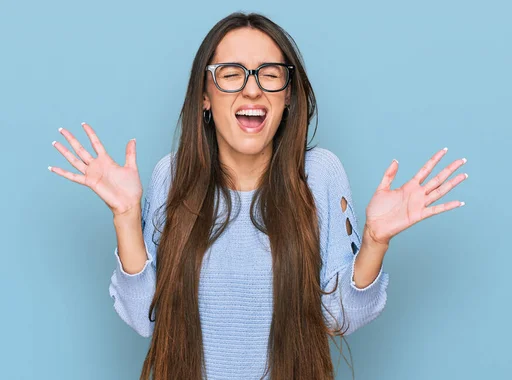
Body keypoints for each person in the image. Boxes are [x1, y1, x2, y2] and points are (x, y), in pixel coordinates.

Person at [48, 11, 468, 380]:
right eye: (231, 74)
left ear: (287, 96)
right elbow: (146, 319)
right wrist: (125, 217)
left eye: (270, 74)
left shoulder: (319, 175)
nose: (252, 90)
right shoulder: (171, 176)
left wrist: (375, 242)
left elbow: (339, 316)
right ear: (205, 98)